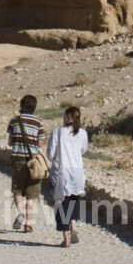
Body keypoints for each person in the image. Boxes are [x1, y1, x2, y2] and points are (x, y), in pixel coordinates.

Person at [45, 105, 89, 248]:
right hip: (77, 172)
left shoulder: (57, 132)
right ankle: (74, 227)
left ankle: (66, 238)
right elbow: (83, 150)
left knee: (61, 204)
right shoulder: (83, 133)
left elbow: (50, 155)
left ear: (67, 117)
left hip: (61, 173)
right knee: (73, 200)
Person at [6, 94, 45, 232]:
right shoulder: (38, 122)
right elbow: (40, 144)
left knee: (17, 189)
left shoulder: (14, 121)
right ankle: (28, 224)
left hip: (18, 160)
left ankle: (20, 213)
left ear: (22, 105)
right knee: (31, 194)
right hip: (33, 162)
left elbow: (10, 142)